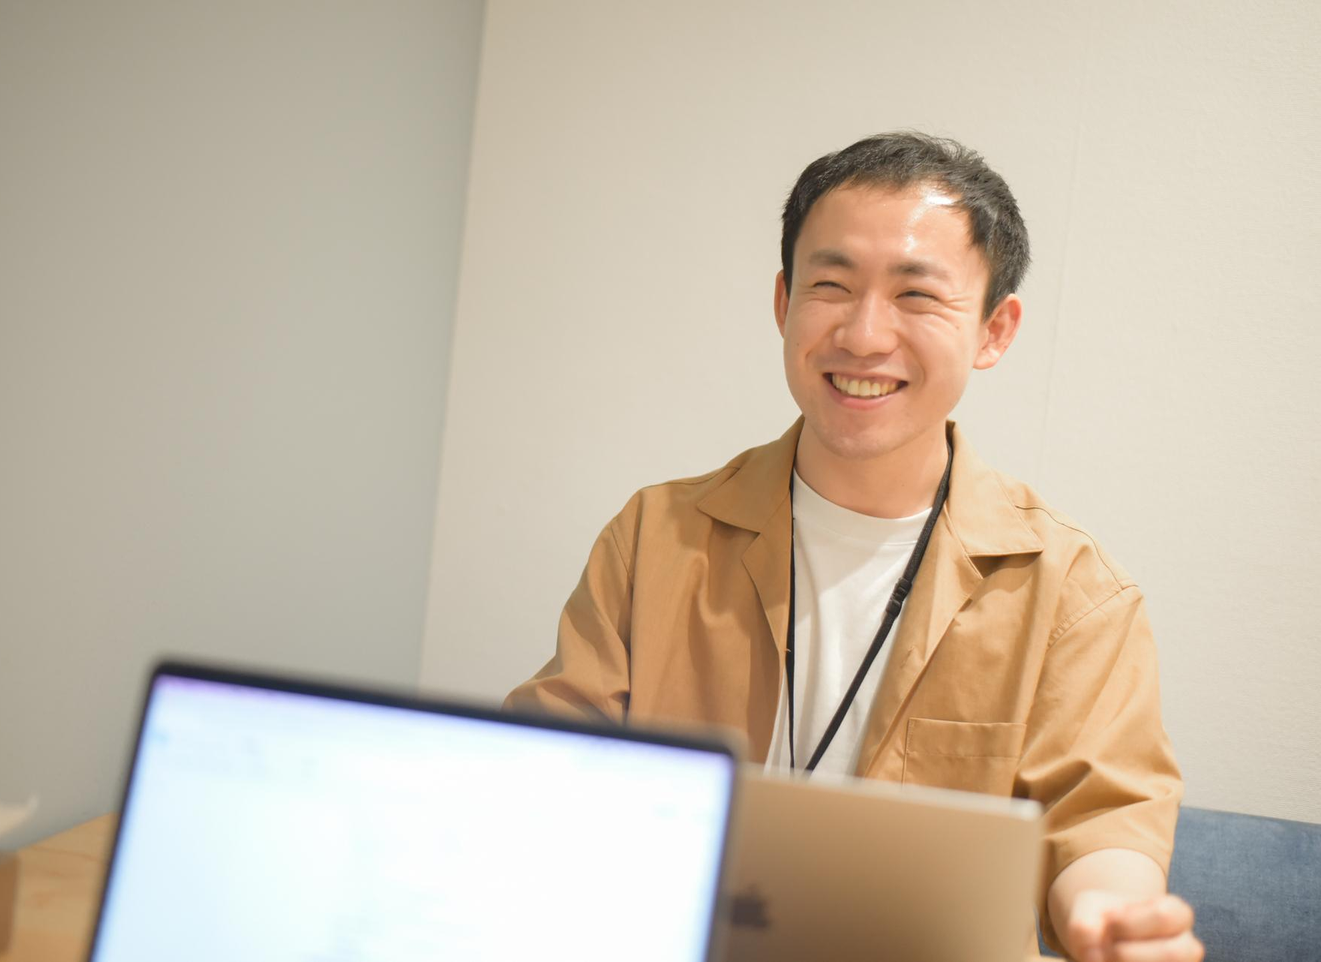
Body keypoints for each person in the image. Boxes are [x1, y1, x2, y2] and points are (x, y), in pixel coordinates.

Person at [504, 132, 1201, 962]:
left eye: (917, 296)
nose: (865, 335)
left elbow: (1101, 824)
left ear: (994, 329)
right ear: (783, 303)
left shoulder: (1073, 592)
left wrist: (1113, 916)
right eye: (831, 286)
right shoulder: (657, 535)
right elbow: (548, 762)